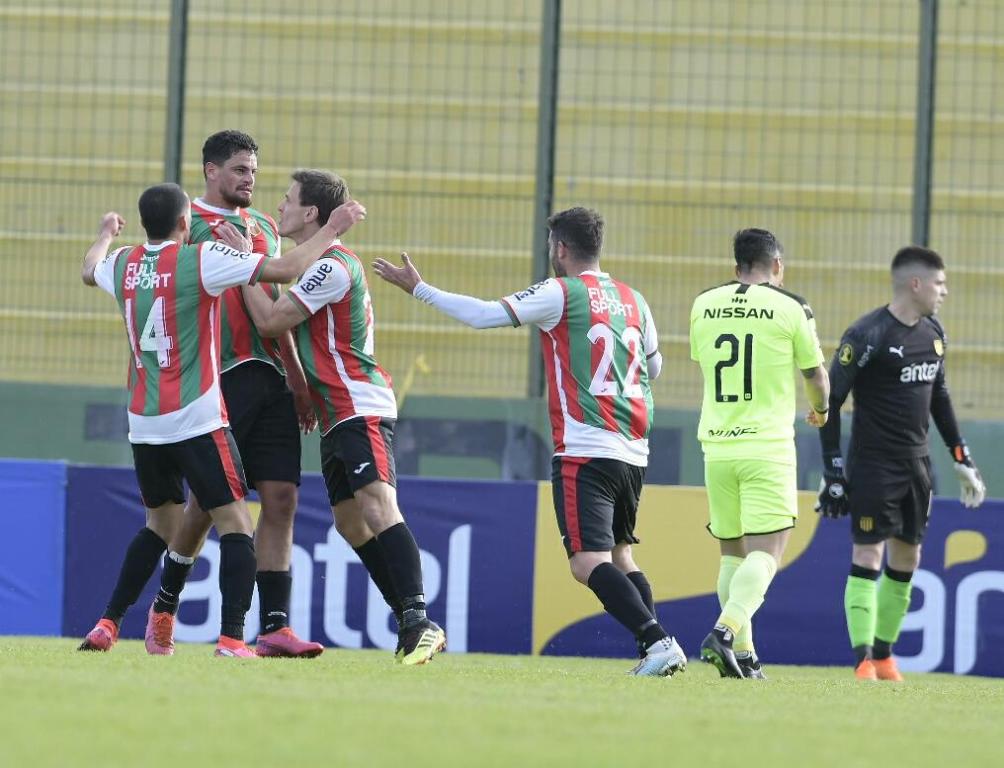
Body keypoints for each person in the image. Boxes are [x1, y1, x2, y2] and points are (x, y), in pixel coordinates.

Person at [373, 206, 686, 677]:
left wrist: (418, 288)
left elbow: (483, 316)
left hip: (585, 446)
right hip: (634, 447)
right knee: (622, 555)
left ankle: (657, 641)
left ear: (560, 248)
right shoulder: (634, 299)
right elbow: (654, 367)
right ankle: (655, 647)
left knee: (587, 563)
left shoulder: (560, 292)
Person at [77, 183, 364, 657]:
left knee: (158, 526)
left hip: (144, 420)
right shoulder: (198, 259)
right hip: (194, 416)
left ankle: (108, 622)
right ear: (185, 223)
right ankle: (232, 638)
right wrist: (333, 228)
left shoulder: (124, 263)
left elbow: (88, 269)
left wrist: (106, 233)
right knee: (235, 523)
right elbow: (286, 268)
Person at [238, 169, 446, 666]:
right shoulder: (323, 264)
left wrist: (241, 265)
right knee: (351, 524)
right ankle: (409, 620)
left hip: (359, 405)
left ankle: (419, 618)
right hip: (336, 413)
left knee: (377, 505)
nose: (281, 208)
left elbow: (269, 322)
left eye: (288, 200)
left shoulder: (330, 266)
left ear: (311, 213)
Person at [143, 130, 323, 658]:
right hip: (215, 377)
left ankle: (274, 626)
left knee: (282, 498)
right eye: (240, 169)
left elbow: (275, 304)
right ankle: (166, 607)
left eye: (254, 171)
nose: (249, 179)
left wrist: (295, 376)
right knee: (208, 503)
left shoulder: (264, 226)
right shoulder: (187, 226)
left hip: (269, 374)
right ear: (211, 170)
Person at [816, 245, 986, 681]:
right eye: (939, 283)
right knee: (868, 553)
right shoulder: (867, 335)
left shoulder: (933, 332)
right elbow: (829, 402)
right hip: (873, 464)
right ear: (916, 284)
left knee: (908, 557)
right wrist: (833, 470)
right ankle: (862, 661)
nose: (944, 291)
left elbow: (940, 397)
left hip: (918, 466)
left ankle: (886, 656)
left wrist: (961, 457)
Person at [689, 228, 829, 679]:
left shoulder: (703, 304)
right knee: (769, 550)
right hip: (766, 445)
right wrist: (821, 410)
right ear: (778, 266)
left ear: (737, 267)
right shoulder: (791, 306)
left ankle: (744, 657)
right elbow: (816, 376)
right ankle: (726, 632)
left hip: (716, 444)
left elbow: (708, 364)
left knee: (732, 552)